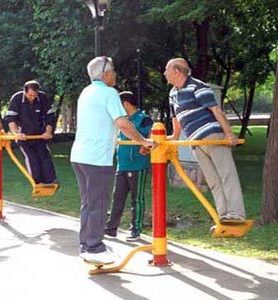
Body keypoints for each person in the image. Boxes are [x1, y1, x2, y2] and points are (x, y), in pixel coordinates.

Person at [70, 56, 154, 265]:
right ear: (105, 74)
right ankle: (94, 248)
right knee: (98, 203)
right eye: (113, 70)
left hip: (79, 156)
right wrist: (143, 141)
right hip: (97, 158)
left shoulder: (86, 92)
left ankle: (86, 244)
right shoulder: (109, 93)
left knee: (88, 203)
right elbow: (123, 123)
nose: (115, 74)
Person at [164, 58, 246, 223]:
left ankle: (237, 213)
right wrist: (174, 136)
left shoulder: (197, 86)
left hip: (212, 136)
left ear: (176, 71)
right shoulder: (173, 93)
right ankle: (224, 215)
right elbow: (177, 118)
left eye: (167, 70)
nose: (165, 74)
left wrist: (229, 134)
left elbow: (216, 110)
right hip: (196, 142)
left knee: (226, 174)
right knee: (213, 180)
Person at [104, 91, 153, 241]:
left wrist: (145, 146)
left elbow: (151, 137)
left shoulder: (143, 119)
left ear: (125, 104)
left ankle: (136, 229)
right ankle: (111, 228)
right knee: (117, 197)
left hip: (137, 165)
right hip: (122, 165)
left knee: (136, 198)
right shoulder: (122, 120)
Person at [4, 80, 58, 185]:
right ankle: (37, 183)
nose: (32, 98)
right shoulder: (17, 99)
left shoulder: (42, 98)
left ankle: (51, 181)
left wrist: (48, 132)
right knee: (32, 158)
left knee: (45, 157)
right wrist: (16, 134)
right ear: (25, 91)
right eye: (30, 95)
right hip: (24, 136)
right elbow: (11, 119)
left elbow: (49, 117)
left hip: (39, 135)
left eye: (34, 95)